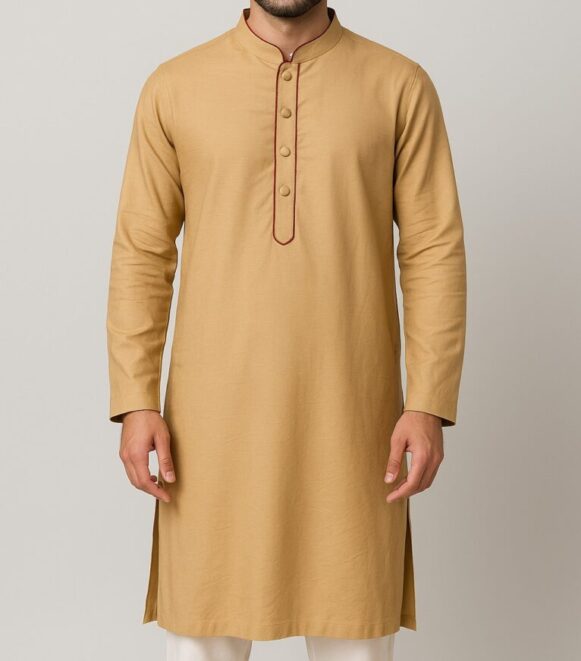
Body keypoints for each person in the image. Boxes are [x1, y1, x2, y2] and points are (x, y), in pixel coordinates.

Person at [106, 1, 467, 659]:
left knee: (354, 627)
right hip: (208, 429)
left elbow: (432, 249)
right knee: (202, 632)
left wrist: (427, 401)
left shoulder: (398, 84)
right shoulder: (174, 86)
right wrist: (135, 400)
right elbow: (142, 251)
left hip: (352, 422)